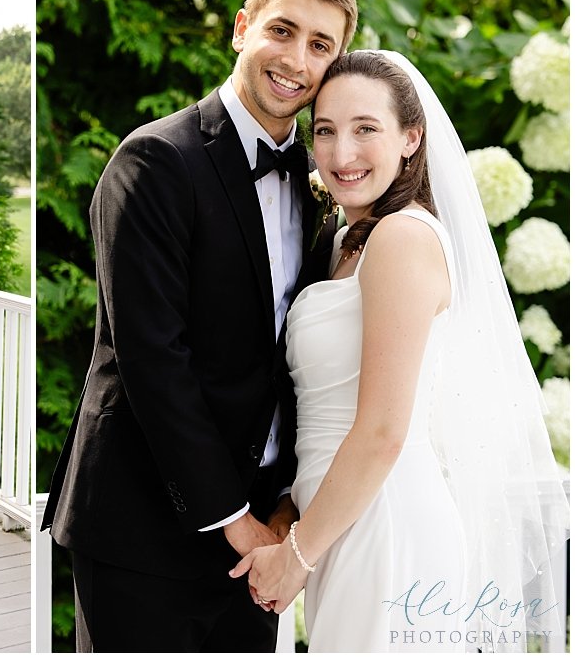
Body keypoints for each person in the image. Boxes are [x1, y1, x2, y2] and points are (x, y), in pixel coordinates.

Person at [41, 0, 358, 651]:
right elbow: (154, 358)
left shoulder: (321, 187)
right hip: (144, 527)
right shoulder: (154, 161)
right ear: (242, 29)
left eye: (320, 45)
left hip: (262, 542)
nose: (296, 59)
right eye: (282, 29)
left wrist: (281, 511)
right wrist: (233, 516)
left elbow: (292, 364)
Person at [233, 51, 568, 652]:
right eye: (326, 130)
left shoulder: (403, 238)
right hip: (339, 523)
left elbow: (385, 428)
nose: (341, 154)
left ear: (411, 137)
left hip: (384, 524)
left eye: (366, 129)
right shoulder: (343, 243)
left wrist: (297, 557)